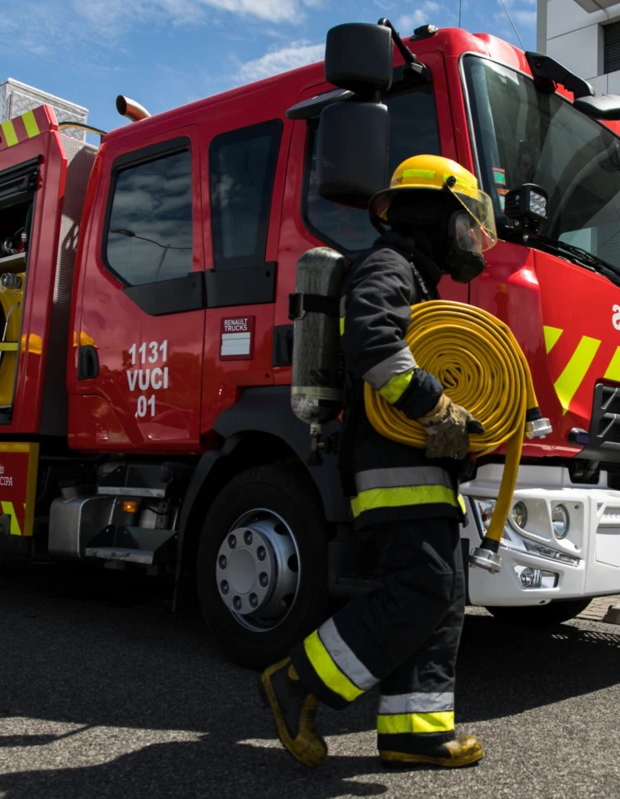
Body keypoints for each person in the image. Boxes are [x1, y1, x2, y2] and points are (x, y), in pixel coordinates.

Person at [261, 155, 498, 769]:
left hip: (421, 470)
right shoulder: (388, 266)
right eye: (466, 221)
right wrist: (436, 406)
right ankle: (297, 680)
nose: (474, 238)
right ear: (433, 214)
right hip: (392, 468)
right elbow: (370, 342)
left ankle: (414, 731)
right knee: (421, 589)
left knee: (440, 598)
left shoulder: (418, 280)